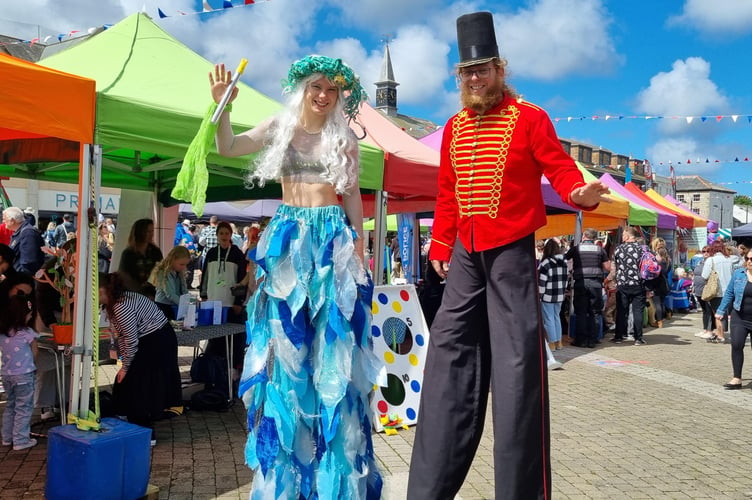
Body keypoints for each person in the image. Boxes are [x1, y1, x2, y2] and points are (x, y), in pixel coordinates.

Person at [406, 12, 609, 500]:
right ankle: (428, 490)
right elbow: (449, 192)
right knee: (447, 357)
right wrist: (440, 243)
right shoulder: (454, 127)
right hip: (465, 255)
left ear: (500, 69)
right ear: (460, 78)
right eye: (466, 72)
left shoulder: (530, 117)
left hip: (512, 252)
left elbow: (558, 167)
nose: (475, 78)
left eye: (483, 69)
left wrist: (581, 191)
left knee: (518, 368)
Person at [210, 54, 382, 498]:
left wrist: (361, 250)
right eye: (316, 88)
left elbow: (354, 200)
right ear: (302, 88)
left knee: (334, 352)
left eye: (333, 90)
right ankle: (287, 478)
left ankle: (334, 476)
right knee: (285, 353)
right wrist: (222, 108)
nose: (324, 96)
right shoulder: (279, 126)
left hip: (331, 243)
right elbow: (228, 147)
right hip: (289, 240)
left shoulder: (344, 139)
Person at [99, 272, 182, 443]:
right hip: (154, 338)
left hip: (156, 341)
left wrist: (125, 365)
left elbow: (130, 339)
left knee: (138, 385)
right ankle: (130, 420)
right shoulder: (120, 300)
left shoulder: (121, 306)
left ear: (102, 291)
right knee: (130, 382)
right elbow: (124, 336)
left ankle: (145, 431)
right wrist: (124, 363)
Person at [0, 295, 39, 451]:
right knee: (24, 407)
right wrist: (32, 363)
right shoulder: (27, 332)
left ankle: (7, 438)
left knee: (11, 406)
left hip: (6, 375)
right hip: (24, 375)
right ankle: (21, 440)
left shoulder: (3, 333)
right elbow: (35, 351)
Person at [566, 228, 610, 348]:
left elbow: (565, 259)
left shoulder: (576, 248)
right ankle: (592, 340)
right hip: (596, 283)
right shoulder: (600, 250)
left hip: (581, 283)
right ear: (595, 238)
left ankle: (581, 340)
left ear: (584, 236)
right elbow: (607, 267)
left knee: (581, 312)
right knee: (594, 312)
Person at [716, 248, 752, 389]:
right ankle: (737, 378)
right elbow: (729, 293)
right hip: (739, 316)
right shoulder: (739, 274)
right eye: (747, 259)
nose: (749, 262)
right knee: (736, 345)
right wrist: (720, 310)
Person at [612, 227, 648, 345]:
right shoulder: (641, 249)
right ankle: (638, 338)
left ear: (628, 236)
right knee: (638, 312)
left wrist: (612, 280)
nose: (622, 237)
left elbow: (614, 268)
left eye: (623, 235)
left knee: (622, 311)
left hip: (623, 284)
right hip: (638, 284)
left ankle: (619, 336)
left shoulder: (619, 249)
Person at [538, 238, 568, 351]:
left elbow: (542, 281)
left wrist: (540, 294)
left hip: (548, 295)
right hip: (560, 295)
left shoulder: (546, 263)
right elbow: (566, 280)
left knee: (549, 319)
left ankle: (551, 343)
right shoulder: (564, 262)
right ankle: (559, 342)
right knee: (556, 318)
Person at [118, 218, 163, 292]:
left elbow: (161, 271)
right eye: (147, 231)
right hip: (133, 294)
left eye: (152, 231)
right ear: (139, 232)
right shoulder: (128, 254)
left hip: (153, 293)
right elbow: (124, 277)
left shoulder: (155, 251)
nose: (151, 234)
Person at [702, 239, 734, 343]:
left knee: (717, 314)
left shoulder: (711, 260)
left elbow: (704, 275)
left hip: (716, 291)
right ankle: (720, 334)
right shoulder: (729, 260)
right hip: (728, 291)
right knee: (723, 313)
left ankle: (720, 336)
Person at [149, 246, 191, 320]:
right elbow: (170, 294)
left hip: (174, 305)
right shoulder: (164, 273)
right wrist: (183, 304)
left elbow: (184, 290)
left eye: (185, 265)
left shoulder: (179, 273)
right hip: (162, 306)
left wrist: (189, 300)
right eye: (181, 264)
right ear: (172, 260)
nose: (184, 267)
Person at [3, 206, 45, 276]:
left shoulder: (28, 233)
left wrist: (11, 277)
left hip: (21, 280)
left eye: (4, 219)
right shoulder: (22, 232)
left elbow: (29, 263)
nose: (3, 222)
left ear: (12, 220)